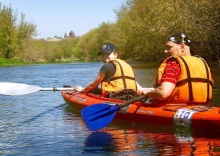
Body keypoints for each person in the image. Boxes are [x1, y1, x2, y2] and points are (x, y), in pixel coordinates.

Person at [142, 32, 214, 105]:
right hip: (202, 108)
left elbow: (163, 93)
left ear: (182, 47)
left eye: (169, 47)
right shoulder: (203, 63)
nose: (165, 51)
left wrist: (146, 92)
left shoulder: (174, 63)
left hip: (172, 109)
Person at [75, 42, 142, 97]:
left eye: (107, 54)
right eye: (102, 55)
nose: (104, 57)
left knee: (93, 90)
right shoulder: (128, 66)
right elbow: (139, 89)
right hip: (132, 97)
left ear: (115, 54)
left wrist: (82, 90)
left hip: (115, 98)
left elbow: (92, 85)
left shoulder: (106, 67)